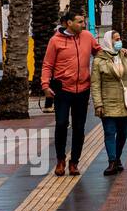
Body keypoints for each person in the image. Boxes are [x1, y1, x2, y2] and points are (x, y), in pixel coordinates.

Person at [40, 10, 101, 177]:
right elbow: (47, 65)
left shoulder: (87, 37)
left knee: (79, 127)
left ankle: (74, 162)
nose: (83, 24)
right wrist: (45, 85)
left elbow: (100, 52)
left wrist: (118, 53)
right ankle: (60, 160)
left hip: (83, 89)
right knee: (61, 124)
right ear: (69, 23)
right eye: (80, 22)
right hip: (62, 90)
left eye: (83, 21)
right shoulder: (55, 41)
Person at [91, 29, 127, 176]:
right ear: (109, 41)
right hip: (108, 102)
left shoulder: (125, 57)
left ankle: (118, 157)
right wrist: (98, 104)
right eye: (115, 39)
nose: (119, 41)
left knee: (123, 133)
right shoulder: (98, 60)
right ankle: (112, 161)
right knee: (109, 132)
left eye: (119, 38)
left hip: (125, 102)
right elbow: (95, 85)